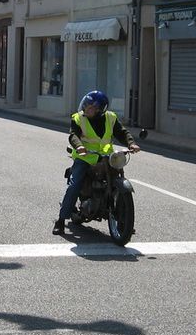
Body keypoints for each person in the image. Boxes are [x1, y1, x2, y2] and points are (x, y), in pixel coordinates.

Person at [54, 90, 141, 235]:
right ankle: (61, 220)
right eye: (86, 105)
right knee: (74, 185)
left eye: (91, 107)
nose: (86, 109)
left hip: (107, 156)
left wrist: (131, 144)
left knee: (117, 178)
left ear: (100, 110)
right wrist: (79, 146)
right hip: (85, 157)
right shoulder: (78, 118)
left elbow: (122, 132)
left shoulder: (110, 118)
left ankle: (125, 221)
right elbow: (73, 135)